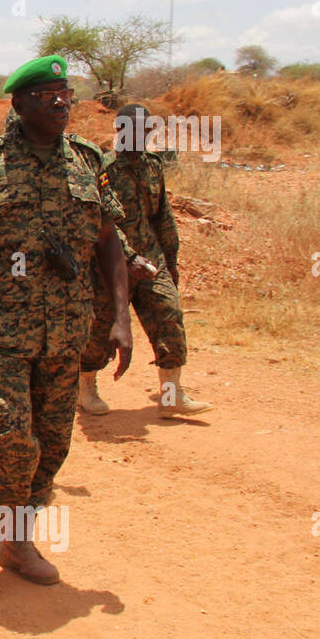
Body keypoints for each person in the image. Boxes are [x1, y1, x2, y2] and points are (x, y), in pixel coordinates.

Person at [0, 55, 134, 599]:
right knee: (10, 440)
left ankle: (19, 543)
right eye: (45, 95)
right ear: (18, 105)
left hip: (65, 334)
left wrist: (121, 316)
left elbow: (109, 241)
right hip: (0, 331)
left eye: (65, 92)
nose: (60, 102)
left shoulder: (88, 162)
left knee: (50, 444)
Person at [79, 104, 211, 417]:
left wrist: (172, 259)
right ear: (120, 129)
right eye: (137, 129)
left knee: (169, 316)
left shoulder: (153, 165)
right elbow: (100, 219)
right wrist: (128, 255)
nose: (144, 134)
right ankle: (85, 390)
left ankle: (171, 395)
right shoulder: (102, 167)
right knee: (99, 329)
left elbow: (162, 215)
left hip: (152, 259)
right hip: (108, 263)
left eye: (148, 128)